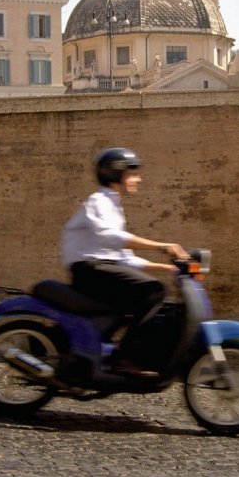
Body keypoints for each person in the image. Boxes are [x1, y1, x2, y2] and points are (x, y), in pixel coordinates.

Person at [62, 147, 189, 377]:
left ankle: (118, 353)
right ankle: (124, 358)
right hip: (89, 270)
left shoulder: (113, 206)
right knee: (153, 290)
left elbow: (122, 258)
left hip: (102, 269)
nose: (138, 179)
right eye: (132, 173)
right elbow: (111, 238)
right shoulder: (99, 201)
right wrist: (162, 246)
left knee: (150, 297)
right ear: (116, 174)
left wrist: (165, 267)